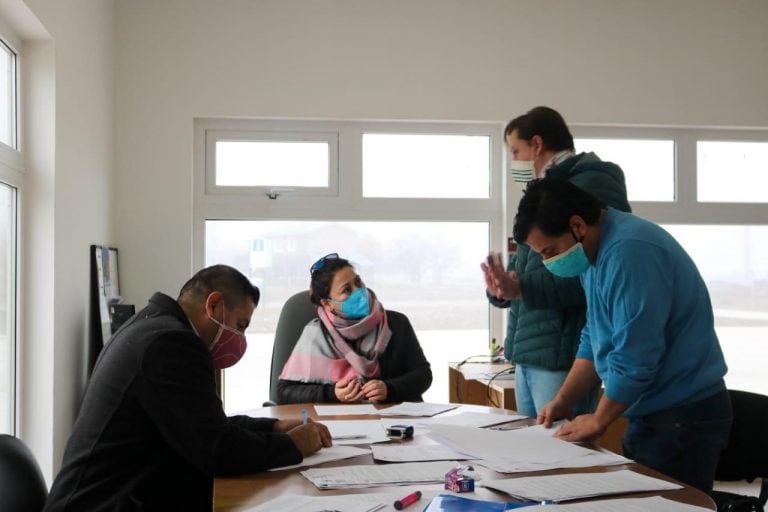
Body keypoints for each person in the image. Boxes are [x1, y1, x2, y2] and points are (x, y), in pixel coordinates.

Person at [44, 265, 332, 511]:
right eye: (240, 324)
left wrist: (273, 428)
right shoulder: (172, 345)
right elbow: (217, 451)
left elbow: (202, 426)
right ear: (214, 305)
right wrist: (293, 445)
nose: (240, 337)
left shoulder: (152, 327)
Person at [513, 177, 731, 493]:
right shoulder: (592, 253)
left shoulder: (630, 251)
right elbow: (595, 336)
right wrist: (564, 400)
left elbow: (637, 355)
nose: (548, 263)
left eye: (549, 251)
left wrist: (599, 419)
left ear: (577, 225)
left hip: (682, 416)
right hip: (652, 413)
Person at [481, 106, 631, 418]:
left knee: (559, 457)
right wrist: (504, 288)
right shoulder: (543, 190)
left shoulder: (589, 183)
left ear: (536, 145)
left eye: (516, 151)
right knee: (532, 455)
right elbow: (536, 271)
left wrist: (521, 288)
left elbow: (589, 272)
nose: (514, 162)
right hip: (532, 350)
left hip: (563, 353)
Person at [278, 253, 432, 404]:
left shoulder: (396, 323)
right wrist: (332, 393)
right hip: (338, 424)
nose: (358, 291)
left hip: (393, 424)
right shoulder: (316, 334)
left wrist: (389, 389)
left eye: (358, 282)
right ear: (327, 304)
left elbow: (423, 375)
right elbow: (285, 391)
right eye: (346, 289)